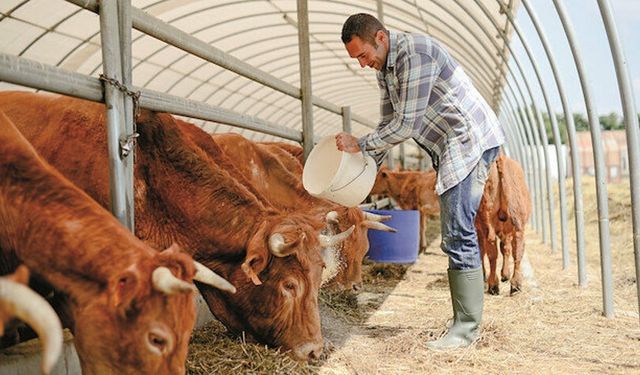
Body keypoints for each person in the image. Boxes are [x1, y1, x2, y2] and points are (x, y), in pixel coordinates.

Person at [336, 13, 505, 349]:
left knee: (457, 232)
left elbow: (405, 126)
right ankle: (463, 322)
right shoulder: (385, 69)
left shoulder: (416, 54)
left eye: (363, 55)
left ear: (381, 38)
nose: (361, 64)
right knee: (455, 231)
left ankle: (466, 330)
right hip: (448, 145)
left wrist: (361, 143)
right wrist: (366, 170)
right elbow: (387, 124)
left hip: (468, 141)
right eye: (356, 59)